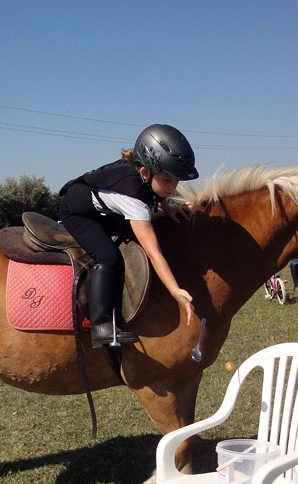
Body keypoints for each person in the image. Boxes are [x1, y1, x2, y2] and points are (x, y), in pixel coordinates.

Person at [59, 124, 198, 347]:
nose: (173, 187)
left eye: (176, 180)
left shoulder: (146, 175)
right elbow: (154, 253)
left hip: (104, 207)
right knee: (108, 257)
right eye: (167, 180)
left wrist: (169, 208)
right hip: (77, 213)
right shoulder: (134, 199)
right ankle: (101, 326)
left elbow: (155, 192)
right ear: (145, 172)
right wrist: (175, 290)